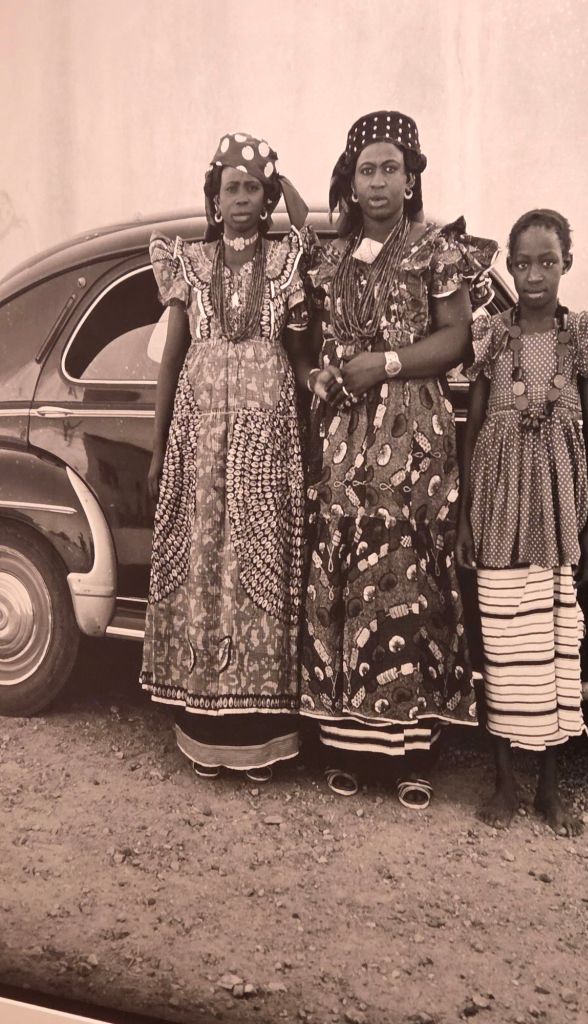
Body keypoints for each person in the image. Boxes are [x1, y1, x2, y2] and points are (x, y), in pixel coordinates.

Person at [293, 110, 497, 809]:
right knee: (346, 572)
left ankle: (411, 753)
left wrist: (383, 364)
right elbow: (315, 344)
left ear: (411, 180)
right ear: (350, 181)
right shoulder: (331, 255)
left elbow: (457, 339)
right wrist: (324, 374)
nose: (378, 182)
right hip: (343, 442)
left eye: (390, 169)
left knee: (408, 577)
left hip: (413, 439)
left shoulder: (437, 248)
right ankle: (348, 746)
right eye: (366, 169)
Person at [140, 133, 313, 781]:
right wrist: (159, 446)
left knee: (261, 565)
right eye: (230, 187)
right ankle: (205, 735)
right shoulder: (187, 261)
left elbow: (301, 353)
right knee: (205, 567)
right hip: (201, 438)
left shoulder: (287, 259)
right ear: (214, 199)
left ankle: (262, 741)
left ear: (267, 199)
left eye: (252, 188)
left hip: (268, 437)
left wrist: (280, 175)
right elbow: (173, 359)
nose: (241, 198)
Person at [456, 209, 588, 834]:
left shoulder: (584, 336)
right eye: (522, 263)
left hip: (558, 512)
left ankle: (550, 788)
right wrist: (466, 518)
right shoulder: (490, 335)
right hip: (498, 508)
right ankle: (504, 783)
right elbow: (473, 427)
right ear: (510, 266)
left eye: (546, 262)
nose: (533, 276)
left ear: (566, 264)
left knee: (554, 645)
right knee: (502, 641)